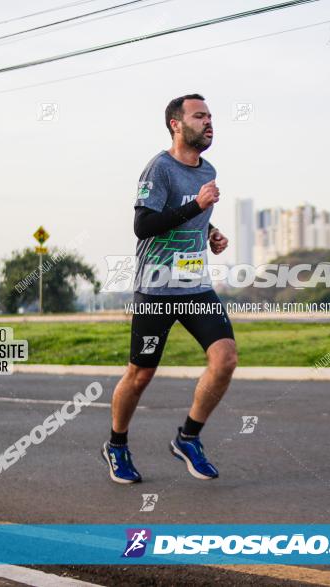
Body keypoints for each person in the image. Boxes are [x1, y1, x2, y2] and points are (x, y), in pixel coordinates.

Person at [102, 93, 237, 484]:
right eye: (199, 116)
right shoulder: (157, 169)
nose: (208, 122)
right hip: (156, 290)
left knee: (225, 359)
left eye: (211, 116)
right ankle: (116, 445)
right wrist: (197, 207)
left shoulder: (206, 168)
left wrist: (211, 233)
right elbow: (144, 226)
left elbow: (190, 219)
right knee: (140, 375)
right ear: (176, 124)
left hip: (195, 287)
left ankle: (188, 438)